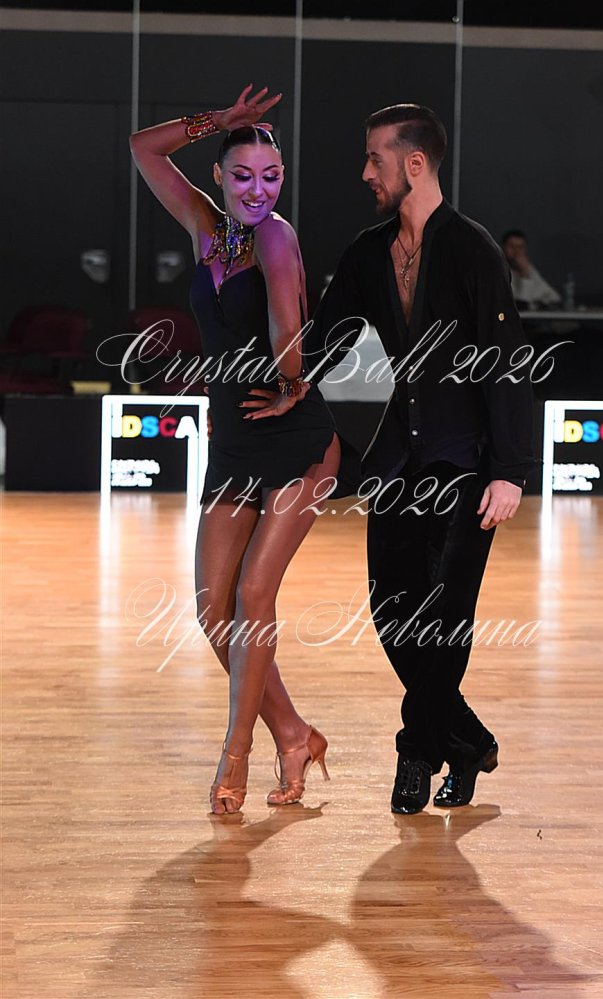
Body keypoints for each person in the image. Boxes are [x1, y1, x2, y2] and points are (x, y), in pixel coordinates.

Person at [129, 85, 359, 814]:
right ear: (220, 177)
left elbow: (288, 317)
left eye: (272, 176)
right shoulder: (207, 228)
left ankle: (236, 752)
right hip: (233, 441)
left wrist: (292, 383)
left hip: (296, 438)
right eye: (243, 175)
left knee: (254, 596)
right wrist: (218, 121)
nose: (259, 190)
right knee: (213, 612)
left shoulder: (275, 237)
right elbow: (144, 148)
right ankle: (294, 732)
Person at [304, 105, 536, 814]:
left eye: (375, 159)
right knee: (391, 613)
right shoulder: (367, 253)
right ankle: (468, 742)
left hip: (466, 467)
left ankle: (417, 751)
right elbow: (323, 344)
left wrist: (510, 470)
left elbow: (506, 360)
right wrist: (290, 394)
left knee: (445, 618)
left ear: (414, 164)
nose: (364, 173)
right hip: (395, 467)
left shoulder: (472, 250)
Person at [501, 229, 561, 309]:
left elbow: (554, 298)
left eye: (520, 247)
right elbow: (519, 306)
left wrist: (525, 273)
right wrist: (524, 275)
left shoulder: (528, 269)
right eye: (512, 247)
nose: (516, 252)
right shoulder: (498, 271)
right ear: (503, 248)